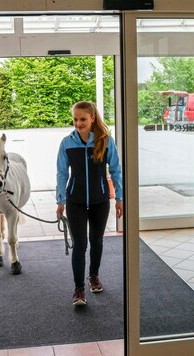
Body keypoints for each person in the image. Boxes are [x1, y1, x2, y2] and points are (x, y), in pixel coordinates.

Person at [56, 101, 123, 306]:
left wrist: (119, 198)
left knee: (97, 241)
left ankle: (93, 276)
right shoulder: (67, 143)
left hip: (99, 201)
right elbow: (61, 173)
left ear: (92, 118)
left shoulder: (105, 141)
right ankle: (78, 290)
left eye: (82, 119)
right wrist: (60, 201)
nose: (78, 123)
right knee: (80, 245)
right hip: (75, 201)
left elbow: (116, 170)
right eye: (75, 119)